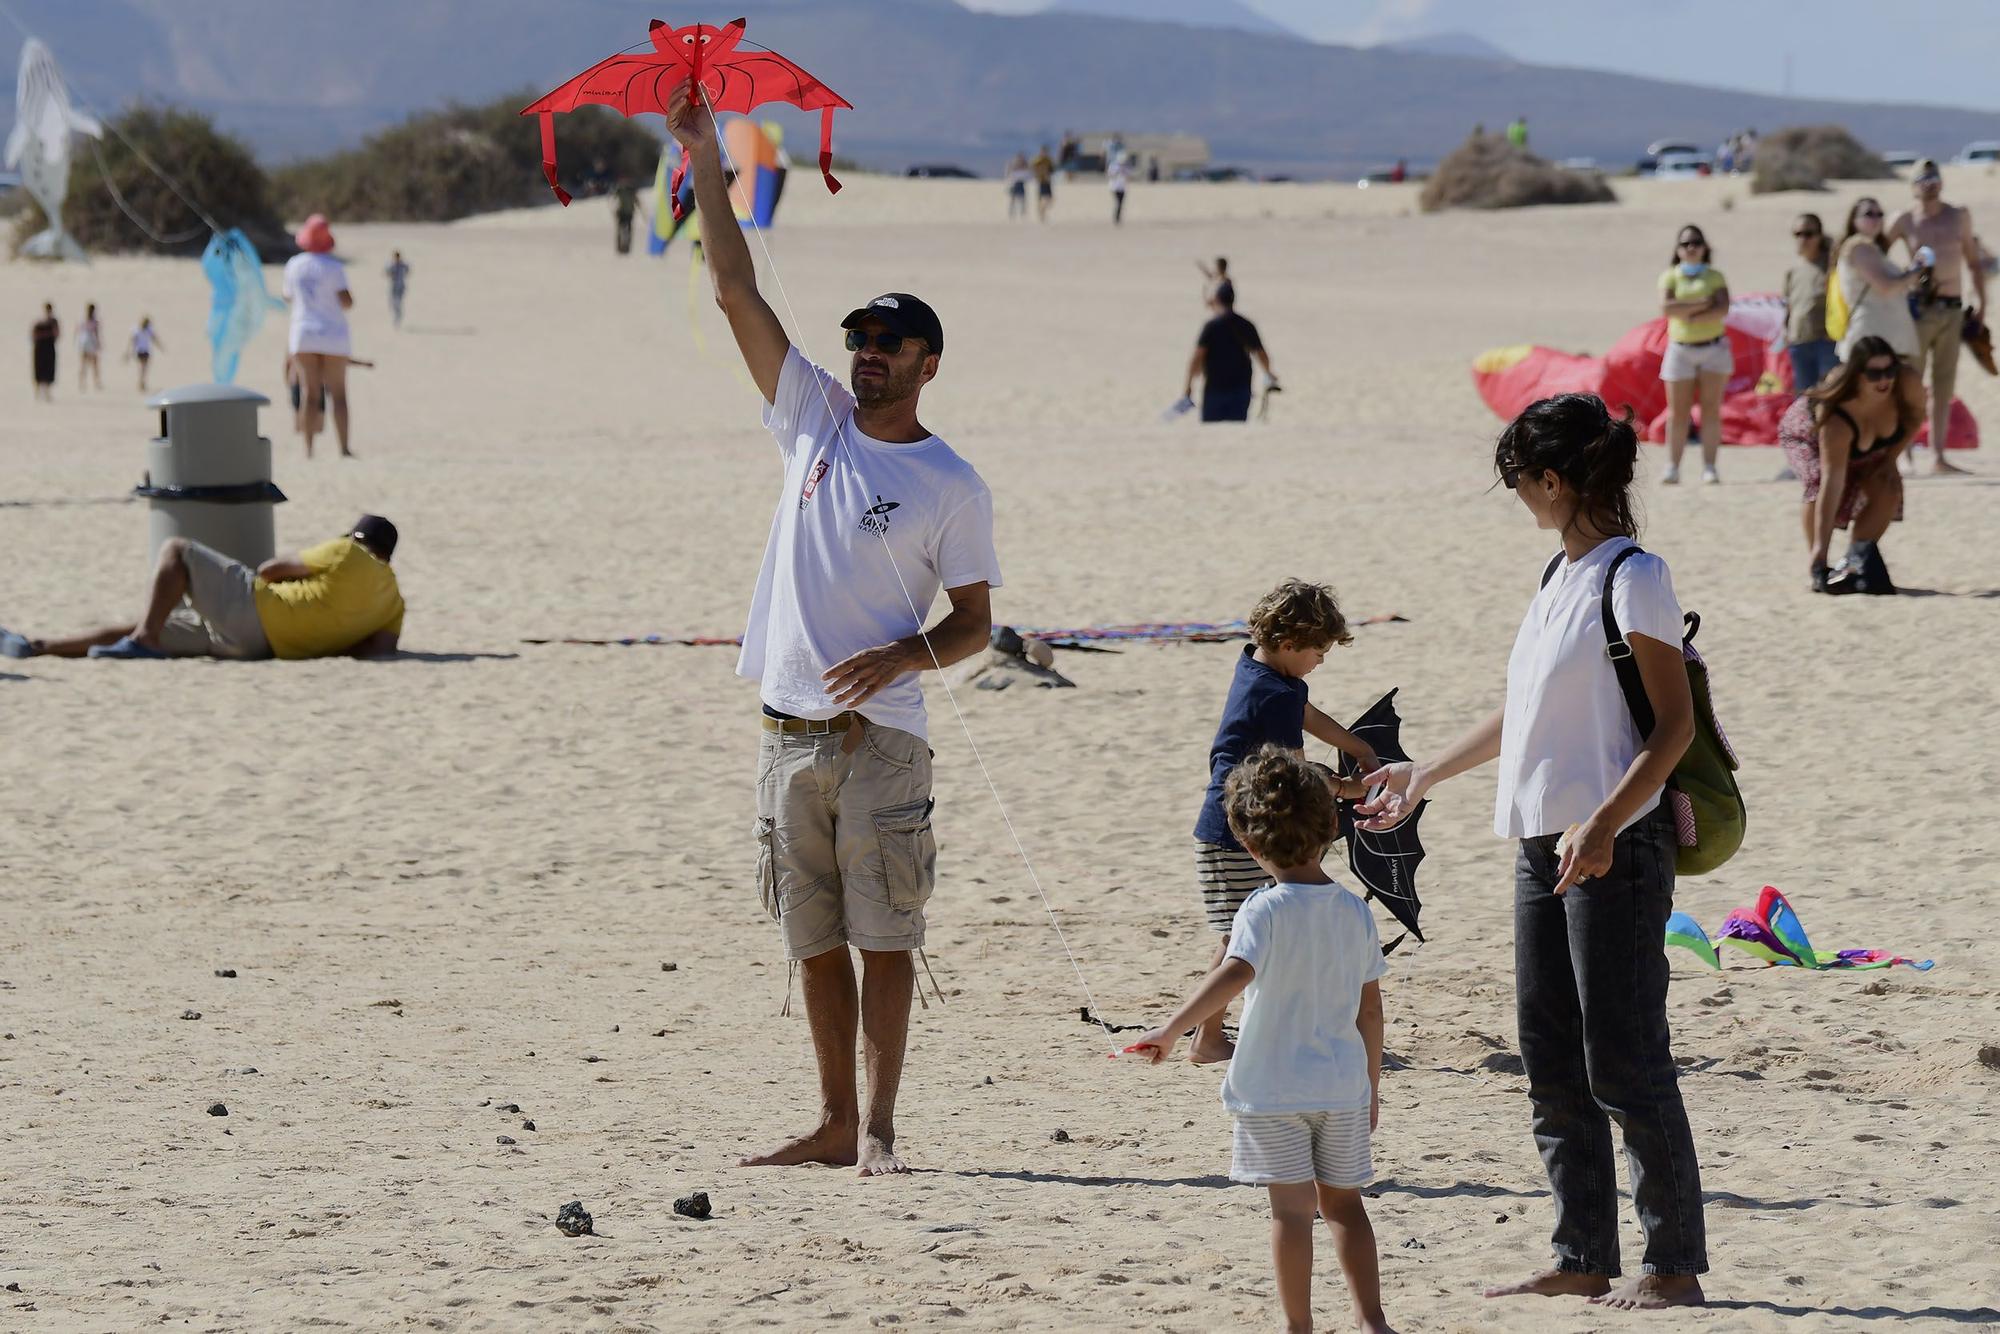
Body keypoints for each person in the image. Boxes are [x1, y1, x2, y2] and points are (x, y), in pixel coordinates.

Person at [666, 78, 1002, 1178]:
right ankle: (828, 1120)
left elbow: (975, 627)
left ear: (927, 363)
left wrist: (904, 655)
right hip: (782, 732)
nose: (866, 350)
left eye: (889, 341)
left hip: (879, 738)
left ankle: (885, 1123)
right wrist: (704, 152)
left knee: (884, 936)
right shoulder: (810, 418)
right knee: (810, 941)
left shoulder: (950, 481)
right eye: (860, 335)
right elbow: (729, 286)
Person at [1358, 394, 1706, 1311]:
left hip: (1614, 848)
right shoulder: (1559, 576)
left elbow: (1673, 728)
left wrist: (1603, 824)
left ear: (1552, 480)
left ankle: (1672, 1266)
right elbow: (1525, 717)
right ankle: (1582, 1253)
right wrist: (1426, 770)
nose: (1519, 498)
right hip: (1540, 842)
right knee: (1550, 1056)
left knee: (1624, 1059)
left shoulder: (1635, 576)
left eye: (1519, 482)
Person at [1131, 746, 1392, 1334]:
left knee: (1292, 1216)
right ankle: (1372, 1320)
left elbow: (1233, 972)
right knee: (1346, 1208)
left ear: (1250, 846)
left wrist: (1171, 1029)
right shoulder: (1355, 911)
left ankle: (1298, 1327)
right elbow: (1370, 1013)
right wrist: (1370, 1087)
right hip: (1341, 1087)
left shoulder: (1261, 909)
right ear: (1332, 827)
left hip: (1273, 1091)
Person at [1188, 580, 1378, 1065]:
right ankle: (1206, 1037)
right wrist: (1348, 789)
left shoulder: (1268, 671)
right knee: (1239, 935)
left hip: (1248, 825)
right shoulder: (1268, 693)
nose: (1322, 660)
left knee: (1250, 929)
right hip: (1234, 833)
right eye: (1319, 650)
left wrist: (1358, 747)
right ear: (1290, 644)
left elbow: (1307, 712)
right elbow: (1295, 773)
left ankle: (1217, 1030)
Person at [1, 516, 405, 663]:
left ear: (357, 538)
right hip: (262, 648)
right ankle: (39, 645)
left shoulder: (345, 552)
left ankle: (140, 640)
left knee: (177, 550)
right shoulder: (394, 602)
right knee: (159, 624)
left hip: (256, 612)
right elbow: (376, 650)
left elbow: (270, 569)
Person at [1779, 336, 1922, 593]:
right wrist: (1820, 550)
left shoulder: (1906, 382)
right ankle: (1818, 562)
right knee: (1819, 480)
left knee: (1888, 485)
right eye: (1874, 373)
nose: (1884, 380)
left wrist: (1890, 460)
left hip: (1869, 444)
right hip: (1807, 434)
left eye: (1889, 371)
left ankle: (1855, 559)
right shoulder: (1837, 415)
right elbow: (1832, 484)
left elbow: (1914, 420)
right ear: (1857, 375)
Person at [1890, 160, 1985, 474]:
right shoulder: (1904, 220)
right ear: (1913, 185)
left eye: (1934, 178)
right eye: (1922, 179)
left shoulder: (1958, 216)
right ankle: (1905, 455)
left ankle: (1938, 456)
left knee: (1943, 386)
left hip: (1952, 309)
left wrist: (1981, 300)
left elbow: (1972, 260)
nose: (1929, 184)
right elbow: (1874, 257)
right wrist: (1898, 284)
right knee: (1910, 385)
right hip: (1918, 310)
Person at [1657, 224, 1731, 484]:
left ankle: (1710, 466)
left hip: (1713, 348)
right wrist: (1702, 304)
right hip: (1681, 348)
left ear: (1704, 247)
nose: (1691, 248)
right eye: (1686, 243)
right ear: (1677, 249)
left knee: (1710, 410)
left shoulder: (1715, 276)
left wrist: (1686, 311)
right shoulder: (1670, 276)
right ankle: (1672, 466)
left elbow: (1721, 309)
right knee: (1678, 412)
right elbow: (1668, 308)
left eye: (1696, 242)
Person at [282, 214, 355, 459]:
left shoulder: (294, 265)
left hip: (303, 333)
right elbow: (346, 301)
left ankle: (309, 448)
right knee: (339, 394)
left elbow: (288, 296)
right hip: (333, 334)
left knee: (309, 393)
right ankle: (343, 448)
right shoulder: (334, 266)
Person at [1834, 197, 1921, 365]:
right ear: (1854, 220)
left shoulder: (1871, 248)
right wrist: (1913, 274)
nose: (1876, 219)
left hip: (1882, 333)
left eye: (1880, 214)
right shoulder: (1859, 246)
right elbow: (1885, 287)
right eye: (1869, 214)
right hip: (1872, 335)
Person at [1185, 284, 1275, 423]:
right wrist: (1268, 374)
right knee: (1236, 429)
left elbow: (1198, 356)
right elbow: (1261, 354)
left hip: (1214, 388)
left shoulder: (1211, 326)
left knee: (1211, 431)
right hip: (1240, 389)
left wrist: (1189, 384)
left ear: (1217, 299)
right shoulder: (1246, 325)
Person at [1783, 214, 1838, 392]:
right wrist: (1787, 332)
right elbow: (1790, 305)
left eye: (1808, 234)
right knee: (1804, 400)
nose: (1802, 239)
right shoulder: (1793, 270)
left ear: (1819, 236)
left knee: (1829, 394)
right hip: (1799, 343)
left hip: (1826, 343)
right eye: (1798, 234)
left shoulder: (1833, 266)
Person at [126, 316, 163, 393]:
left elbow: (154, 338)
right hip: (140, 350)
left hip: (145, 350)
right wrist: (130, 351)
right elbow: (133, 340)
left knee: (143, 368)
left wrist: (160, 346)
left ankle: (142, 382)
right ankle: (141, 383)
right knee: (143, 368)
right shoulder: (137, 329)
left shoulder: (148, 330)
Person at [30, 302, 57, 402]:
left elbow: (57, 333)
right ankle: (37, 394)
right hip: (40, 347)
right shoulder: (39, 321)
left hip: (49, 347)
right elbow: (33, 334)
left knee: (48, 370)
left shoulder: (53, 321)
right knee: (39, 370)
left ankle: (47, 394)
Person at [76, 302, 102, 391]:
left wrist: (78, 342)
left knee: (83, 364)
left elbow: (77, 331)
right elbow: (96, 333)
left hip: (83, 342)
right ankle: (96, 383)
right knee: (94, 364)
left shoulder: (82, 319)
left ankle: (82, 383)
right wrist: (98, 343)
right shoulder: (94, 321)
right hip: (91, 342)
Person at [385, 251, 410, 328]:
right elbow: (387, 273)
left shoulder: (403, 265)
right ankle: (396, 318)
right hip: (393, 287)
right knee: (392, 304)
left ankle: (398, 320)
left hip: (400, 287)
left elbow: (408, 270)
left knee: (398, 304)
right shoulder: (392, 265)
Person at [1031, 145, 1055, 223]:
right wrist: (1037, 175)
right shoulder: (1037, 160)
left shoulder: (1048, 160)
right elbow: (1032, 168)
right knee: (1043, 199)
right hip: (1041, 181)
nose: (1044, 153)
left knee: (1050, 200)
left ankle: (1041, 212)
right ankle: (1042, 214)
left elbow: (1052, 169)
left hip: (1047, 181)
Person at [613, 180, 639, 255]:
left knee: (628, 231)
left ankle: (627, 247)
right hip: (622, 212)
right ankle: (619, 247)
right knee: (620, 230)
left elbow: (636, 200)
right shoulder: (620, 190)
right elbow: (613, 198)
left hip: (629, 213)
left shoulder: (631, 191)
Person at [1003, 152, 1029, 220]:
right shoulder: (1013, 165)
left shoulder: (1024, 165)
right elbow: (1008, 174)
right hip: (1014, 184)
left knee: (1022, 200)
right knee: (1013, 199)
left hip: (1021, 184)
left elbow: (1028, 174)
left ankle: (1022, 213)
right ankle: (1011, 213)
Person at [1107, 152, 1130, 226]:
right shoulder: (1113, 166)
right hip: (1114, 187)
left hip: (1122, 187)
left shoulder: (1126, 167)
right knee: (1118, 203)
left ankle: (1118, 218)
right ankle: (1116, 217)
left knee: (1121, 203)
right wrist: (1117, 172)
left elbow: (1128, 176)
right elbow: (1110, 175)